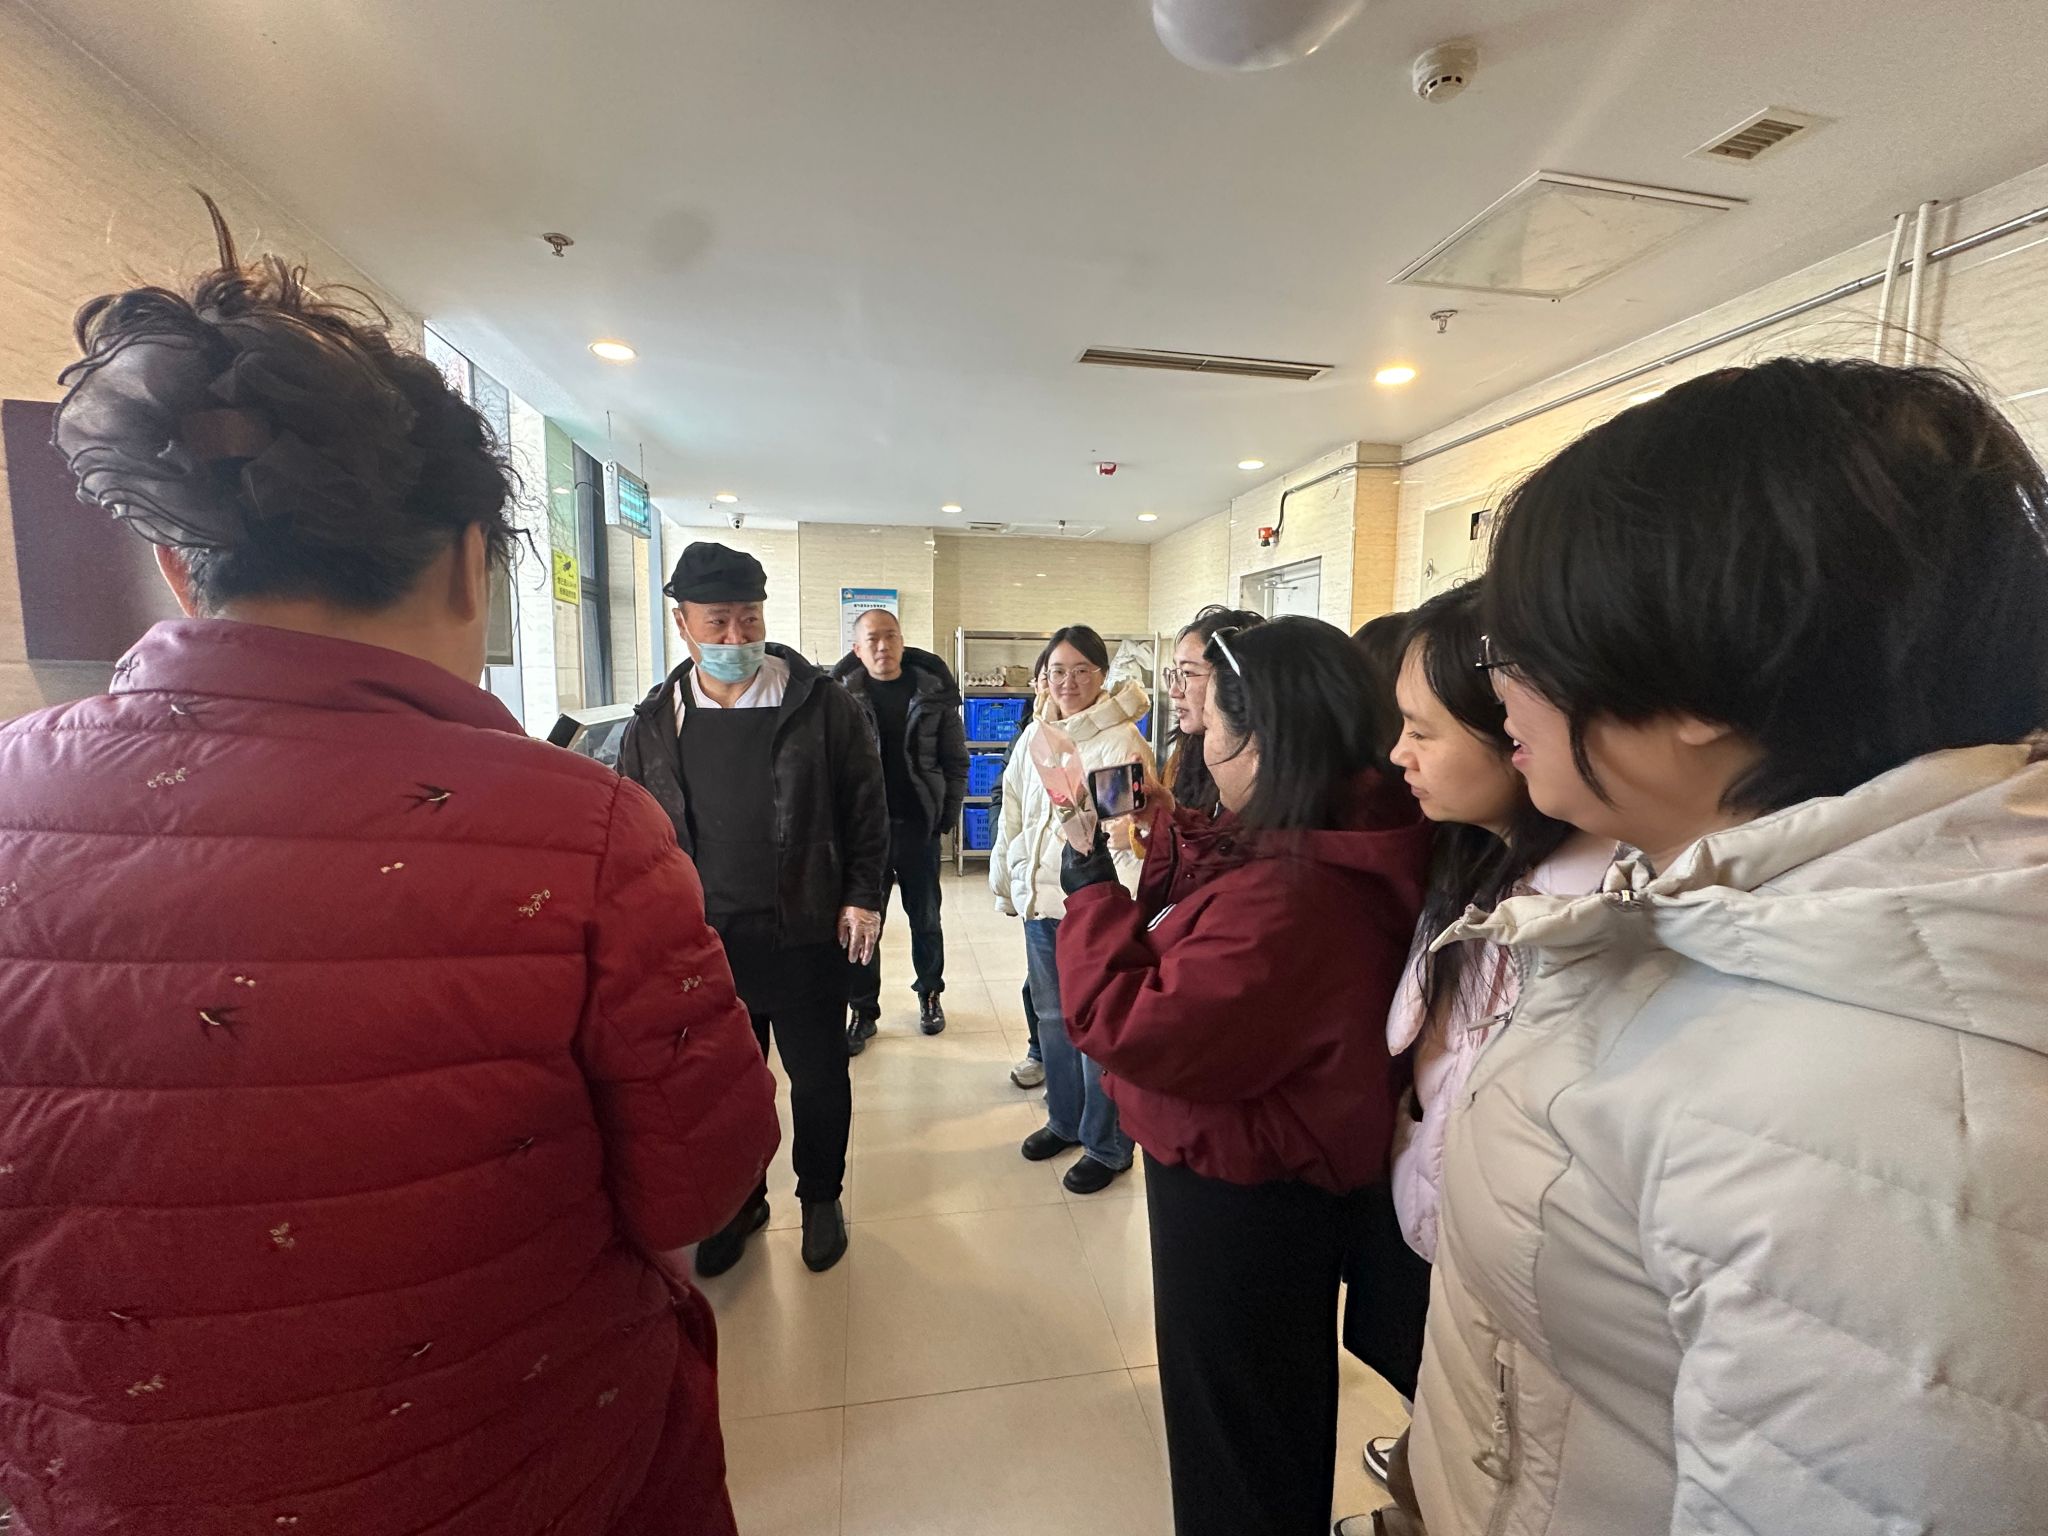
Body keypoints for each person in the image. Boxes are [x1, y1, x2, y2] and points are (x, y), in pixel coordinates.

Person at [0, 207, 781, 1536]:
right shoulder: (581, 834)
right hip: (517, 1463)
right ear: (474, 563)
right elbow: (701, 1179)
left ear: (179, 568)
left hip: (107, 1486)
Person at [1409, 358, 2048, 1534]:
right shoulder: (1727, 924)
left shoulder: (1856, 1117)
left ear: (1696, 674)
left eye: (1520, 640)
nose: (1499, 689)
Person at [1057, 616, 1432, 1536]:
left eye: (1210, 719)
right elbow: (1230, 878)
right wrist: (1167, 823)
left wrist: (1088, 882)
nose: (1197, 734)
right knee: (1268, 1411)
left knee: (1237, 1438)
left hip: (1243, 1194)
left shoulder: (1295, 897)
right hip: (1270, 1171)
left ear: (1263, 740)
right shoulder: (1330, 829)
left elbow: (1131, 1021)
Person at [1333, 581, 1612, 1536]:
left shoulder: (1588, 912)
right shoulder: (1470, 859)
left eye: (1421, 729)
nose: (1396, 754)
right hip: (1436, 1212)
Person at [618, 542, 887, 1277]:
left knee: (819, 1076)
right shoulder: (656, 720)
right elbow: (634, 832)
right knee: (727, 1087)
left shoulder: (820, 704)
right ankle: (742, 1201)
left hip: (805, 926)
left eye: (750, 619)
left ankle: (822, 1196)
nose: (736, 636)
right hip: (704, 942)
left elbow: (866, 807)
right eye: (718, 622)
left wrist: (864, 895)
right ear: (683, 624)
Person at [990, 624, 1151, 1192]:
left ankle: (1107, 1145)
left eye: (1082, 670)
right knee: (1054, 1022)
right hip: (1043, 907)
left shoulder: (1119, 744)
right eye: (1057, 671)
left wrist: (1121, 918)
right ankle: (1065, 1121)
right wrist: (1011, 882)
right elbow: (1013, 812)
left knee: (1098, 1030)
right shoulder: (1037, 734)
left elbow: (1127, 840)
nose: (1068, 682)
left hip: (1094, 917)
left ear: (1102, 676)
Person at [833, 608, 969, 1049]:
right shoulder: (840, 699)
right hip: (863, 836)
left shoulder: (933, 694)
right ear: (857, 648)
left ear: (902, 641)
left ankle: (930, 993)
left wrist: (945, 817)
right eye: (872, 638)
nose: (882, 646)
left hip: (917, 829)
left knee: (926, 919)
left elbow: (955, 761)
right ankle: (863, 1010)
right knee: (862, 924)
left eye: (890, 636)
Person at [995, 648, 1054, 1090]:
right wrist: (1012, 865)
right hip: (1034, 877)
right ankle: (1040, 1052)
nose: (1057, 686)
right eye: (1048, 676)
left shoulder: (1108, 738)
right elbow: (1008, 798)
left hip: (1076, 886)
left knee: (1071, 988)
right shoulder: (1028, 732)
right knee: (1039, 984)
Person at [1162, 606, 1263, 818]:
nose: (1173, 691)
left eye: (1187, 672)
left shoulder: (1254, 766)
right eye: (1175, 672)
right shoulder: (1184, 751)